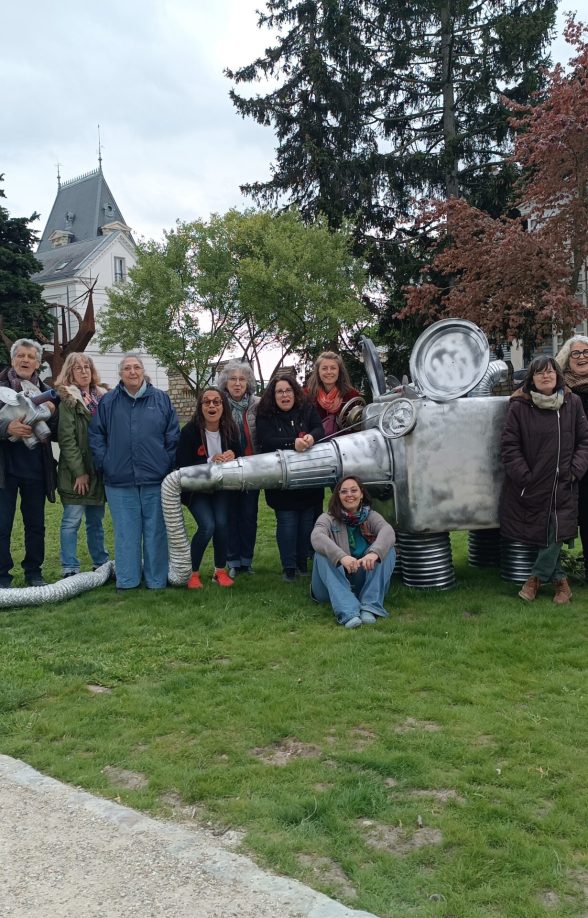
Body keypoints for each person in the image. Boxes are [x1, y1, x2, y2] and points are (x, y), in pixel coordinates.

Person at [500, 355, 588, 604]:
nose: (546, 376)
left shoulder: (573, 403)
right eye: (540, 373)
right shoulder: (519, 406)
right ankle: (561, 583)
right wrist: (525, 476)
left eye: (550, 372)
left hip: (564, 483)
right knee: (548, 532)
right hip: (533, 484)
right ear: (532, 379)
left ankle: (535, 579)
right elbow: (509, 445)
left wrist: (575, 470)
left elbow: (584, 441)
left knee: (555, 531)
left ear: (557, 375)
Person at [88, 354, 179, 592]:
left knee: (156, 532)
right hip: (119, 481)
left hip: (156, 480)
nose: (132, 372)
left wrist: (165, 463)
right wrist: (106, 463)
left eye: (136, 367)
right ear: (120, 374)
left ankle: (156, 580)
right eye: (127, 368)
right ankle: (128, 581)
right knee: (126, 533)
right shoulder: (108, 402)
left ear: (143, 371)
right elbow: (96, 436)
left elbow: (173, 436)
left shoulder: (161, 400)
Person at [0, 339, 58, 588]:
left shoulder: (46, 391)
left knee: (35, 524)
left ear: (38, 363)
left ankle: (34, 572)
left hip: (36, 467)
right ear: (12, 359)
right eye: (20, 355)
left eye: (31, 357)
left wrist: (52, 412)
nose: (25, 360)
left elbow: (54, 432)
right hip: (4, 468)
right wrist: (6, 427)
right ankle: (2, 576)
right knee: (2, 524)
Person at [256, 373, 324, 582]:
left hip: (308, 480)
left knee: (306, 524)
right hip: (282, 483)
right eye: (279, 392)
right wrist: (292, 443)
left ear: (295, 392)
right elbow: (267, 440)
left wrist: (312, 436)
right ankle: (289, 568)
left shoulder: (307, 409)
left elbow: (319, 428)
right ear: (273, 395)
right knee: (287, 524)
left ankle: (303, 564)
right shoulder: (265, 415)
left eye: (288, 391)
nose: (284, 395)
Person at [176, 387, 241, 589]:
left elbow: (239, 454)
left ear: (223, 406)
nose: (212, 405)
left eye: (217, 401)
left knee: (222, 524)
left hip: (221, 487)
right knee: (207, 526)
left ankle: (219, 571)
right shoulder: (189, 431)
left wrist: (233, 455)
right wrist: (209, 460)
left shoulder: (230, 428)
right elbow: (182, 464)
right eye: (207, 402)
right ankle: (192, 573)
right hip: (197, 489)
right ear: (200, 406)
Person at [310, 476, 396, 628]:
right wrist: (341, 557)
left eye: (354, 490)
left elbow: (388, 531)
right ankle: (348, 612)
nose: (349, 494)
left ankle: (370, 606)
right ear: (338, 496)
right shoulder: (328, 517)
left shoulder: (371, 515)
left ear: (361, 494)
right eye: (344, 492)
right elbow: (316, 536)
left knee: (387, 549)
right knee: (322, 553)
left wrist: (374, 553)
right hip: (330, 586)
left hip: (361, 578)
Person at [54, 353, 109, 578]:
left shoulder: (103, 397)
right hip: (76, 473)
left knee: (96, 522)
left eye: (87, 367)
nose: (84, 371)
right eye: (78, 368)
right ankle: (70, 567)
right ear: (70, 373)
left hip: (98, 471)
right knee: (71, 522)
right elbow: (67, 440)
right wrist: (80, 473)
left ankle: (101, 562)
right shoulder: (68, 400)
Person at [217, 360, 260, 578]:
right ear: (225, 382)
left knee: (249, 516)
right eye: (233, 379)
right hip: (227, 469)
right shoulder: (218, 404)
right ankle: (232, 561)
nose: (237, 383)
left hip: (253, 468)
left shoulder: (257, 404)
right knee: (230, 516)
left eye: (242, 379)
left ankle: (247, 560)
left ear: (248, 383)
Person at [555, 335, 588, 582]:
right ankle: (552, 574)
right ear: (567, 358)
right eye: (576, 353)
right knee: (558, 518)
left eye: (586, 352)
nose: (582, 357)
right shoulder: (559, 389)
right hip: (567, 461)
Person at [305, 351, 362, 437]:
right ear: (318, 372)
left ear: (339, 371)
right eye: (324, 368)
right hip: (316, 446)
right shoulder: (308, 395)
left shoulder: (351, 395)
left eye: (333, 368)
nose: (329, 372)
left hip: (345, 445)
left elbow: (358, 426)